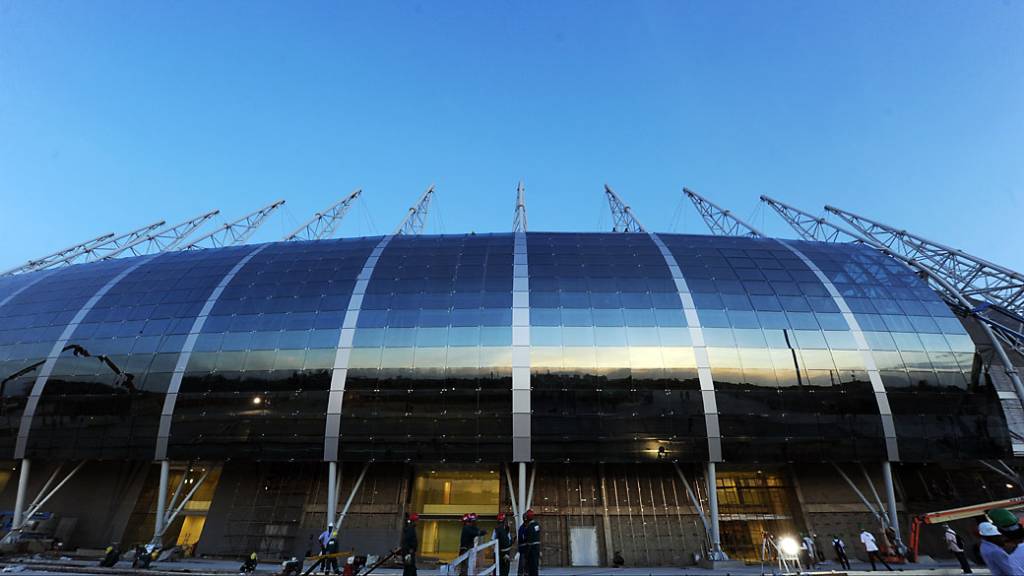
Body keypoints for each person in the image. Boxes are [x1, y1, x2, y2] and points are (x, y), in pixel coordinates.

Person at [523, 509, 541, 576]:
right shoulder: (537, 525)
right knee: (535, 566)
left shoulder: (529, 527)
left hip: (531, 550)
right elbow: (537, 535)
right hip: (537, 548)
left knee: (532, 567)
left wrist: (526, 554)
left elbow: (529, 541)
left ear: (527, 517)